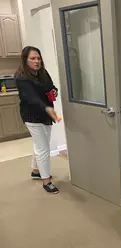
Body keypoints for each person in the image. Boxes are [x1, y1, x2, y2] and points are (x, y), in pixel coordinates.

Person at [15, 46, 59, 194]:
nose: (36, 61)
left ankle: (35, 171)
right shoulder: (21, 77)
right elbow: (31, 98)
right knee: (43, 147)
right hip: (32, 115)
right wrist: (47, 108)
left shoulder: (43, 73)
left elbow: (50, 87)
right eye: (32, 58)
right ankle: (46, 181)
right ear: (25, 60)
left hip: (46, 114)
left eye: (38, 58)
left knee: (40, 143)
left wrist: (54, 91)